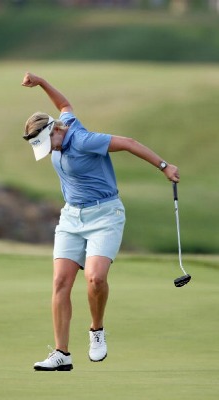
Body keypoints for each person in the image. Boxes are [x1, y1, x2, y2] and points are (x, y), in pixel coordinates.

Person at [21, 71, 180, 372]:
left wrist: (163, 166)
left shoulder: (83, 139)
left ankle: (96, 331)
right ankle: (61, 354)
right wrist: (41, 82)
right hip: (71, 216)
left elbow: (129, 142)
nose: (49, 149)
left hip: (105, 214)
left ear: (55, 130)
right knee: (60, 281)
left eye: (48, 143)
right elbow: (64, 103)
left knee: (95, 278)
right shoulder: (63, 124)